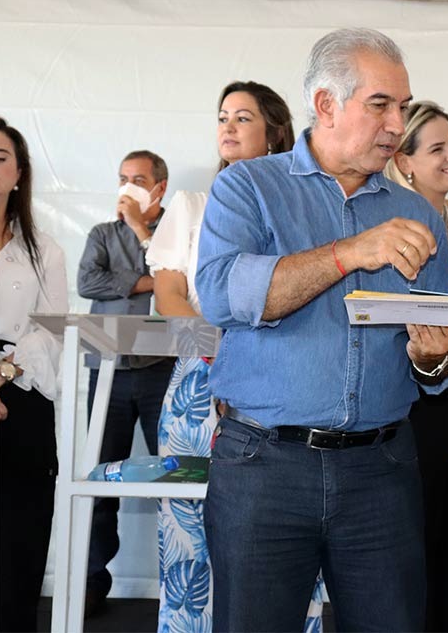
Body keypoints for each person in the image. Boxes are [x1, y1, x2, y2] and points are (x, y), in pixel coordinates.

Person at [195, 28, 448, 632]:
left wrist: (435, 359)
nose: (397, 124)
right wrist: (349, 252)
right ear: (325, 105)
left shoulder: (420, 214)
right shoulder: (248, 188)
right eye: (381, 105)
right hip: (263, 466)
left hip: (382, 472)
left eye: (402, 105)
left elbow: (447, 361)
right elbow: (221, 294)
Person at [147, 81, 324, 632]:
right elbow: (168, 294)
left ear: (275, 134)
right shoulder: (192, 205)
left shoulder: (303, 211)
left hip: (283, 384)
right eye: (223, 116)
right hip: (200, 380)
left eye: (243, 117)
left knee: (282, 540)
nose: (227, 126)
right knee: (187, 532)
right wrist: (215, 352)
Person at [384, 101, 448, 632]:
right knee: (412, 544)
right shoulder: (398, 220)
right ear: (406, 162)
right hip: (413, 396)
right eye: (437, 148)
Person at [76, 149, 175, 615]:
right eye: (121, 177)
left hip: (163, 370)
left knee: (176, 479)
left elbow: (179, 278)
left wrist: (149, 262)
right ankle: (93, 581)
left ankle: (180, 580)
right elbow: (87, 281)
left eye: (137, 178)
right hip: (108, 369)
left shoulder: (175, 234)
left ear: (159, 188)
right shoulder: (100, 234)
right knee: (99, 479)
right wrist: (147, 282)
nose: (126, 187)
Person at [0, 116, 68, 632]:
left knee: (15, 550)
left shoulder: (46, 252)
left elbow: (53, 332)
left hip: (18, 397)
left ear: (19, 173)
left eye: (0, 157)